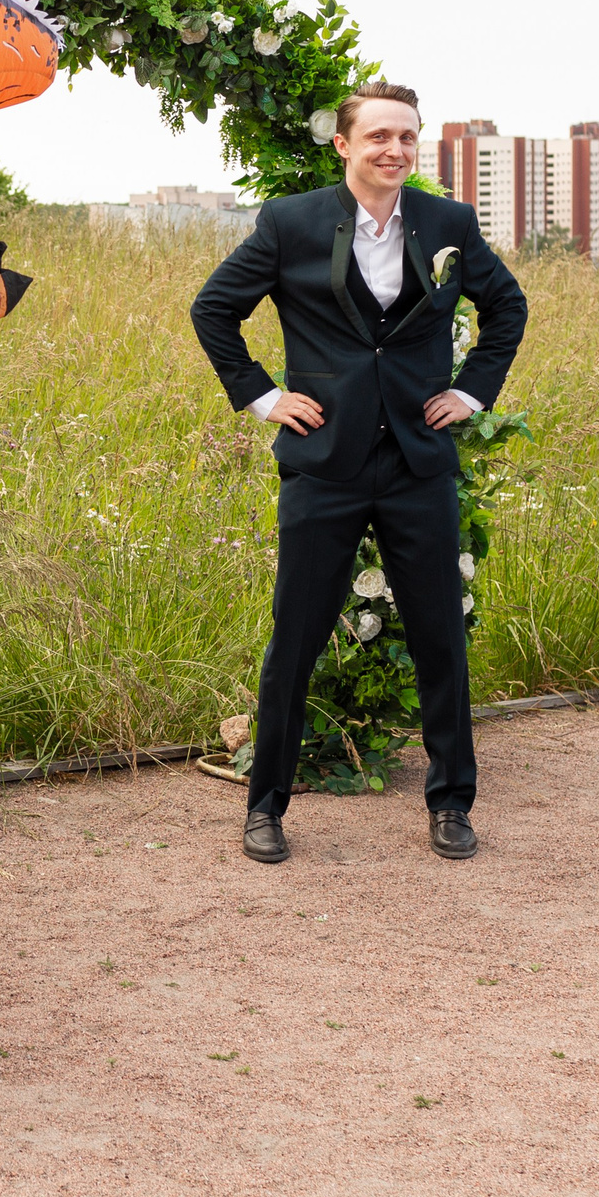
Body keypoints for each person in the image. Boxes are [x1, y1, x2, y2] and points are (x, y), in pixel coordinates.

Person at [190, 81, 528, 865]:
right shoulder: (291, 221)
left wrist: (471, 391)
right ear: (343, 144)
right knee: (296, 639)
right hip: (325, 461)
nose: (395, 150)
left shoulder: (448, 223)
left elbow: (507, 309)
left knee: (440, 635)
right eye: (378, 136)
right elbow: (214, 309)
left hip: (417, 460)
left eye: (407, 138)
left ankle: (451, 803)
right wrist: (266, 398)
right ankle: (264, 808)